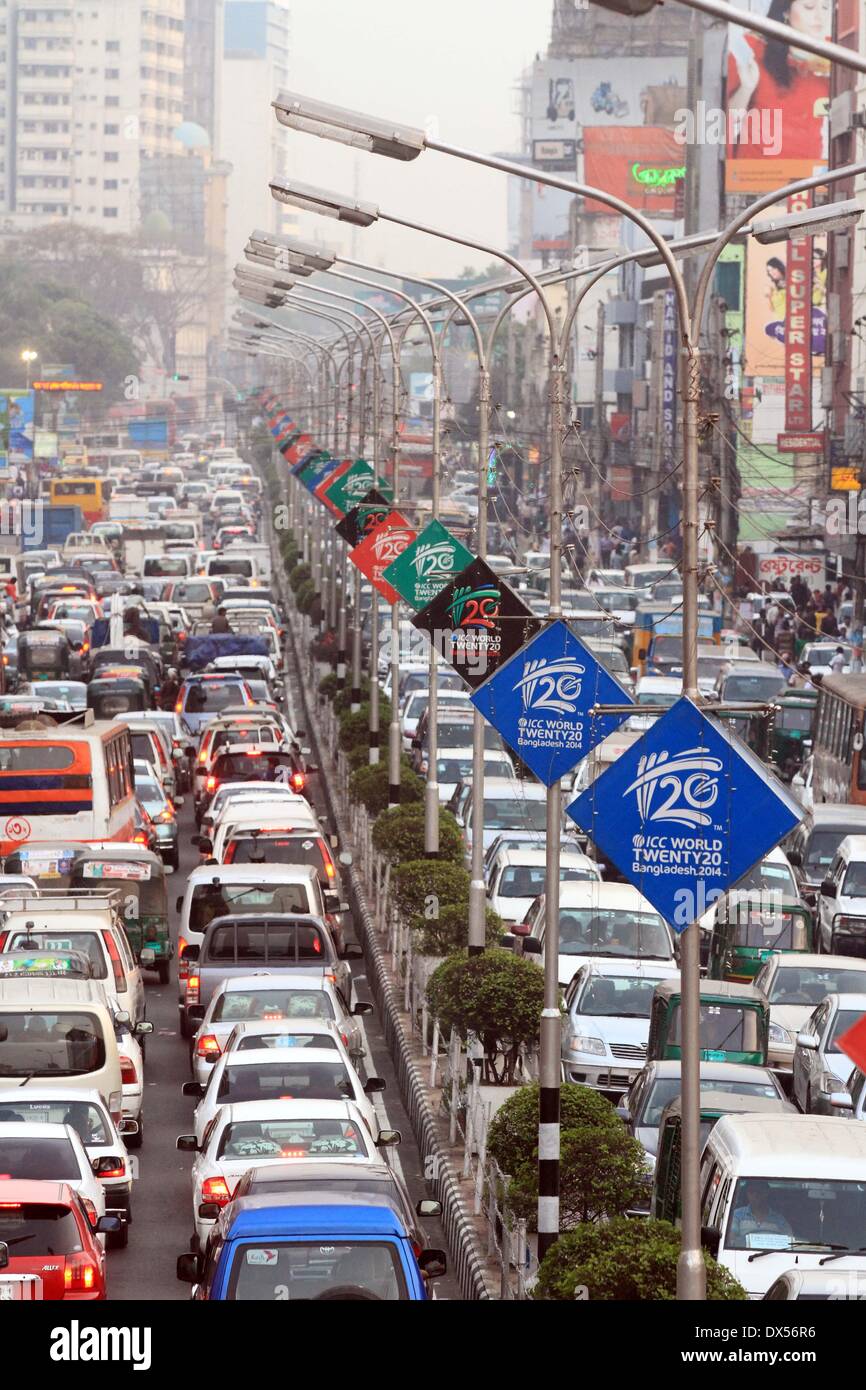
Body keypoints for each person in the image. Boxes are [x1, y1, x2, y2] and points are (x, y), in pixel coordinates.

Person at [729, 1180, 793, 1247]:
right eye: (751, 1192)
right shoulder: (737, 1215)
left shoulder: (779, 1220)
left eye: (760, 1191)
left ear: (767, 1193)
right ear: (747, 1194)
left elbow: (789, 1244)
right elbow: (732, 1241)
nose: (755, 1195)